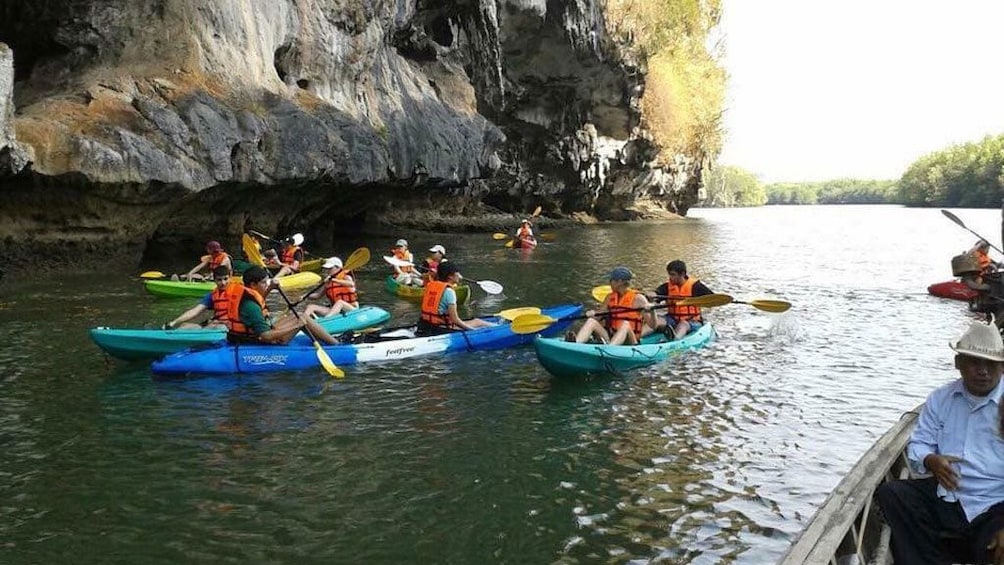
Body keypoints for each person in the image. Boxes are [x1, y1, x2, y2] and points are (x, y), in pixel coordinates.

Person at [875, 319, 1004, 565]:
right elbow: (919, 445)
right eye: (974, 362)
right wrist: (931, 460)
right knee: (893, 494)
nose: (983, 371)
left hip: (995, 504)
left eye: (991, 364)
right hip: (949, 497)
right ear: (958, 364)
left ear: (1003, 367)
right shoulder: (941, 399)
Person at [225, 266, 338, 345]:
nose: (266, 285)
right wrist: (296, 326)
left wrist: (270, 288)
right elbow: (265, 336)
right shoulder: (250, 306)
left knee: (299, 314)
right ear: (253, 284)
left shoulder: (247, 295)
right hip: (265, 341)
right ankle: (337, 345)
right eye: (264, 283)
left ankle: (327, 341)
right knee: (302, 318)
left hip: (247, 336)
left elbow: (260, 301)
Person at [568, 266, 655, 345]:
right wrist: (592, 314)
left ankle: (610, 348)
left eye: (611, 280)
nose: (609, 283)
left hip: (630, 341)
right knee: (591, 321)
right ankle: (576, 343)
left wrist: (652, 311)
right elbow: (598, 316)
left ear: (620, 282)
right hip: (612, 336)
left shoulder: (638, 299)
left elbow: (652, 325)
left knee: (625, 324)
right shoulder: (610, 297)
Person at [417, 262, 495, 335]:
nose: (460, 276)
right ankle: (500, 329)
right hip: (442, 329)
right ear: (450, 276)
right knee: (478, 322)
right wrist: (474, 331)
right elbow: (455, 320)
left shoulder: (430, 286)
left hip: (426, 325)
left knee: (477, 321)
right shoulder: (449, 292)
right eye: (458, 273)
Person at [649, 259, 714, 340]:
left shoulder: (696, 286)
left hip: (692, 321)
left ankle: (674, 340)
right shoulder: (667, 286)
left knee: (683, 324)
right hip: (672, 318)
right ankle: (636, 338)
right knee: (657, 320)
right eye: (669, 274)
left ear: (682, 274)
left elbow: (711, 298)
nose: (670, 278)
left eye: (673, 275)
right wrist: (652, 295)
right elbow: (657, 294)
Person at [164, 266, 237, 329]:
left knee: (218, 327)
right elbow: (195, 311)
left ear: (230, 277)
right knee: (184, 326)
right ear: (214, 280)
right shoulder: (212, 295)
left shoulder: (238, 292)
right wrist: (174, 322)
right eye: (219, 280)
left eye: (225, 279)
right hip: (216, 324)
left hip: (229, 328)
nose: (223, 283)